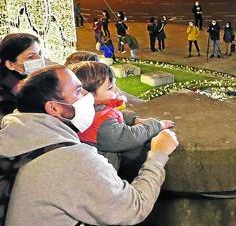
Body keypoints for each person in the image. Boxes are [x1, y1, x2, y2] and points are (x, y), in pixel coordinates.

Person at [0, 65, 178, 226]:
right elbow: (133, 207)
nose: (88, 98)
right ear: (54, 108)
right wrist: (158, 155)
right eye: (78, 91)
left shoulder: (11, 132)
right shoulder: (71, 159)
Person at [68, 61, 174, 175]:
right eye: (110, 88)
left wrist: (132, 119)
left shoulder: (88, 110)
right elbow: (130, 136)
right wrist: (157, 125)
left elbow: (113, 113)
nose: (116, 90)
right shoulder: (101, 124)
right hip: (105, 177)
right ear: (87, 95)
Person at [0, 33, 43, 118]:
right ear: (10, 64)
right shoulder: (7, 94)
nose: (39, 59)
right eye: (30, 57)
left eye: (40, 53)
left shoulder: (32, 80)